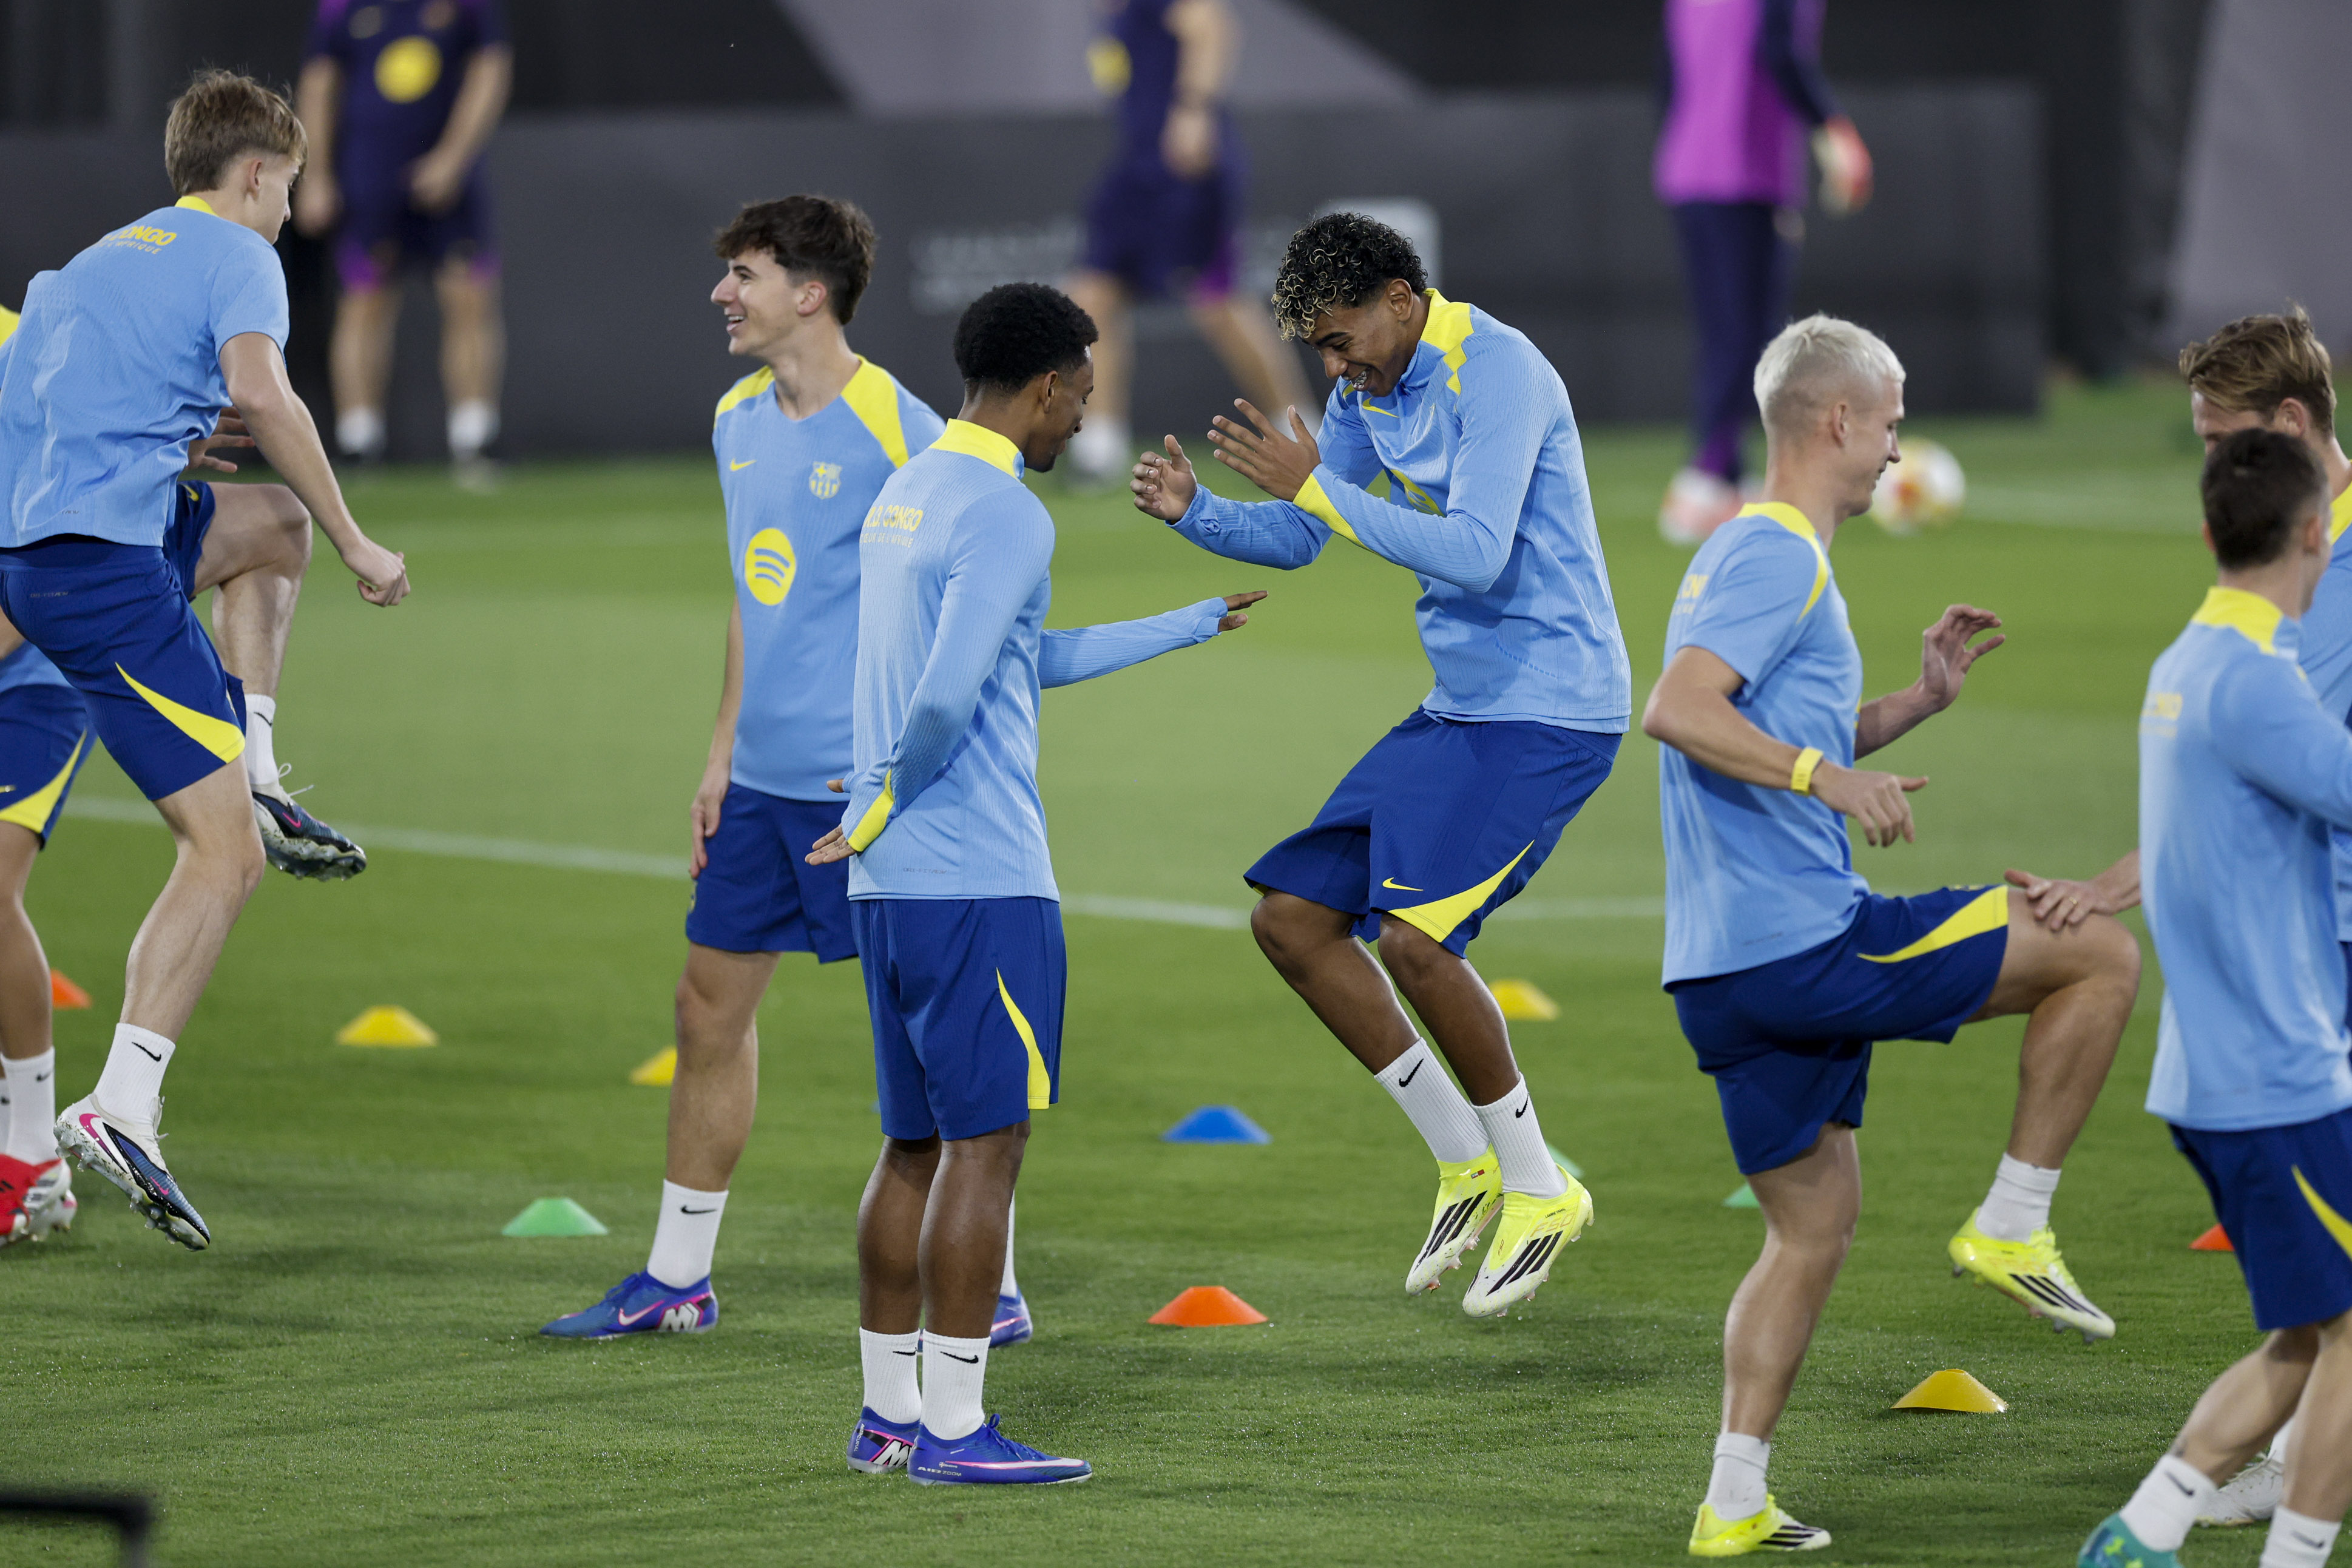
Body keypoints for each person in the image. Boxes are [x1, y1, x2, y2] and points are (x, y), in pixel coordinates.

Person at [1642, 315, 2139, 1555]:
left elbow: (1764, 720)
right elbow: (1678, 709)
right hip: (1804, 945)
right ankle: (2014, 1217)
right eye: (1892, 425)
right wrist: (1826, 776)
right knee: (2096, 948)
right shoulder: (1778, 554)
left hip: (1719, 972)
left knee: (1810, 1227)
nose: (1898, 453)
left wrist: (1912, 705)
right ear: (1837, 420)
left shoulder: (1750, 548)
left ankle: (1732, 1495)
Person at [541, 195, 1049, 1346]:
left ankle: (997, 1283)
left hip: (870, 791)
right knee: (706, 1008)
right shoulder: (735, 419)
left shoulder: (904, 430)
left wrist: (913, 774)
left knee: (939, 1037)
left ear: (810, 294)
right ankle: (679, 1277)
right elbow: (753, 595)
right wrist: (720, 751)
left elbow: (977, 597)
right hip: (762, 787)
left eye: (746, 274)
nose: (723, 293)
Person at [1130, 212, 1626, 1318]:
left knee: (1415, 937)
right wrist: (1198, 513)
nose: (1333, 367)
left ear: (1401, 299)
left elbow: (1477, 551)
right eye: (1319, 347)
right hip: (1462, 706)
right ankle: (1465, 1163)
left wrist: (1315, 487)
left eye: (1340, 338)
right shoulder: (1370, 393)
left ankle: (1541, 1187)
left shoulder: (1498, 372)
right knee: (1293, 921)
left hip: (1551, 706)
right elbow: (1306, 535)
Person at [811, 282, 1260, 1484]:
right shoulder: (1008, 511)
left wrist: (1180, 624)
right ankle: (957, 1429)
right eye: (1084, 397)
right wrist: (882, 799)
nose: (1084, 420)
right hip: (978, 875)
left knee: (912, 1144)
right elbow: (948, 698)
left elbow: (1009, 658)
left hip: (892, 889)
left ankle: (887, 1416)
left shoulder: (909, 491)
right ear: (1048, 385)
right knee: (987, 1146)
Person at [0, 71, 410, 1252]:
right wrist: (359, 538)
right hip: (101, 571)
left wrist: (164, 438)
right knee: (225, 857)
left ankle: (259, 766)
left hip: (56, 548)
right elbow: (263, 393)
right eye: (288, 189)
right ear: (257, 174)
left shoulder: (84, 267)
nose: (289, 212)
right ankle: (121, 1101)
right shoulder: (239, 255)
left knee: (268, 526)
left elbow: (36, 418)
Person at [2002, 309, 2352, 1530]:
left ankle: (2258, 1478)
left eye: (2222, 439)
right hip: (2306, 952)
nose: (2212, 467)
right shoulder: (2280, 569)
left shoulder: (2316, 567)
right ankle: (2289, 1479)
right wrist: (2129, 875)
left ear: (2291, 426)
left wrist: (2131, 875)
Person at [2077, 429, 2352, 1568]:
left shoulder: (2188, 660)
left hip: (2217, 1071)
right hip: (2275, 1075)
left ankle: (2142, 1529)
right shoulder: (2257, 682)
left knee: (2307, 1334)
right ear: (2316, 534)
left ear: (2206, 533)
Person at [1064, 0, 1314, 487]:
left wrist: (1193, 110)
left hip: (1187, 168)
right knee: (1092, 295)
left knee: (1218, 304)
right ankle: (1100, 446)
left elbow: (1212, 24)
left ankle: (1304, 434)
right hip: (1136, 171)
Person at [1654, 0, 1872, 545]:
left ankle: (1729, 478)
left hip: (1689, 172)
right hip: (1744, 172)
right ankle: (1702, 477)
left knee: (1725, 333)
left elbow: (1669, 76)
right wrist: (1835, 130)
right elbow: (1780, 50)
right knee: (1748, 336)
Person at [296, 0, 512, 479]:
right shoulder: (340, 7)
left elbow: (490, 69)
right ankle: (359, 441)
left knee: (468, 295)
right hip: (369, 179)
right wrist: (316, 174)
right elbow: (319, 81)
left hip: (452, 185)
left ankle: (475, 437)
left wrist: (453, 158)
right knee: (364, 301)